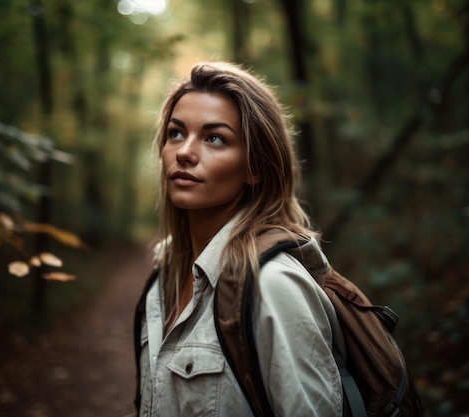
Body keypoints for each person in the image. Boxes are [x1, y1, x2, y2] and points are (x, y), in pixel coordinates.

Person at [134, 62, 342, 416]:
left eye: (215, 138)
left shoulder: (273, 286)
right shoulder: (162, 280)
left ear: (255, 167)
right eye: (176, 133)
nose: (184, 152)